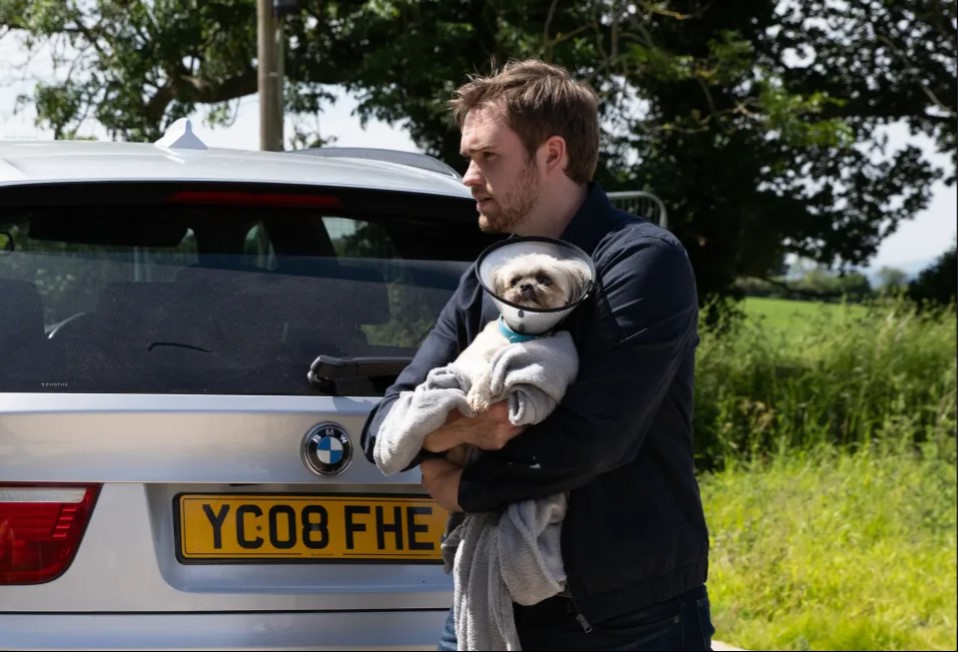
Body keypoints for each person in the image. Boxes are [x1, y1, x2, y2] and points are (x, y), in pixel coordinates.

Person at [361, 59, 714, 651]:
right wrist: (463, 429)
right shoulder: (489, 276)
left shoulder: (643, 262)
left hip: (625, 618)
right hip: (489, 601)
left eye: (487, 157)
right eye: (468, 157)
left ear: (552, 155)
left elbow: (594, 440)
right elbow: (386, 422)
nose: (468, 176)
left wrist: (462, 489)